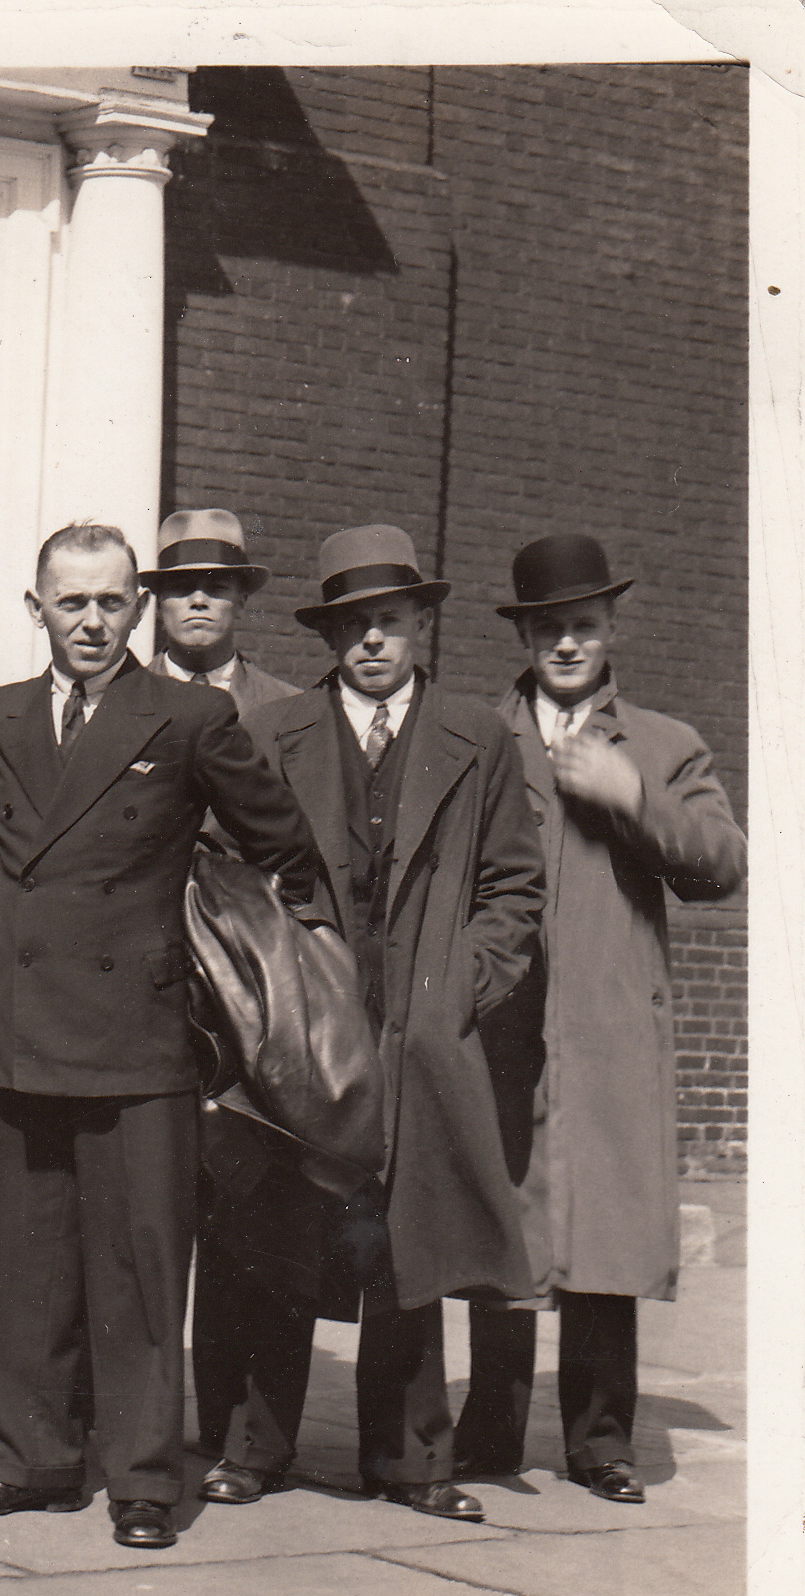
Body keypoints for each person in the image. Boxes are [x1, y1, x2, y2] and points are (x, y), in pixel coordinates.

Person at [0, 522, 319, 1550]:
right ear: (37, 610)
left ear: (137, 607)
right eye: (73, 602)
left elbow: (280, 846)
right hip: (28, 1023)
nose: (94, 622)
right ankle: (29, 1459)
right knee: (26, 1263)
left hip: (142, 1030)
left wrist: (210, 955)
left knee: (141, 1265)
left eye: (113, 602)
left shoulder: (190, 716)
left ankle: (145, 1477)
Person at [219, 523, 547, 1524]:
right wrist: (273, 992)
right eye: (352, 624)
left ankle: (410, 1460)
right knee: (284, 1235)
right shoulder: (279, 734)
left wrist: (461, 986)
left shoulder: (475, 740)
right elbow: (233, 876)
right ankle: (251, 1446)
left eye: (389, 622)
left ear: (421, 625)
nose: (371, 641)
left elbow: (516, 888)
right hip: (305, 1031)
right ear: (330, 635)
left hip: (420, 1032)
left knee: (409, 1248)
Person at [456, 534, 743, 1502]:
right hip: (505, 1017)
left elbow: (719, 864)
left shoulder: (664, 745)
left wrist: (634, 797)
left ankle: (601, 1440)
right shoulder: (480, 736)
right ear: (525, 634)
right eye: (550, 627)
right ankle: (488, 1428)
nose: (568, 643)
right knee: (505, 1223)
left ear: (612, 627)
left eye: (584, 625)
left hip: (613, 1017)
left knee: (605, 1233)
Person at [129, 508, 330, 1495]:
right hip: (141, 991)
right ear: (153, 600)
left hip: (251, 996)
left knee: (263, 1215)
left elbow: (307, 856)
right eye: (177, 585)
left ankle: (253, 1441)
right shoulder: (115, 699)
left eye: (216, 584)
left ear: (244, 596)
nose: (197, 599)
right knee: (149, 1212)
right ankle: (142, 1427)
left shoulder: (292, 712)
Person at [143, 509, 302, 714]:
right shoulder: (120, 700)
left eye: (216, 587)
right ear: (159, 604)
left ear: (241, 602)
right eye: (182, 587)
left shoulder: (288, 706)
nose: (199, 601)